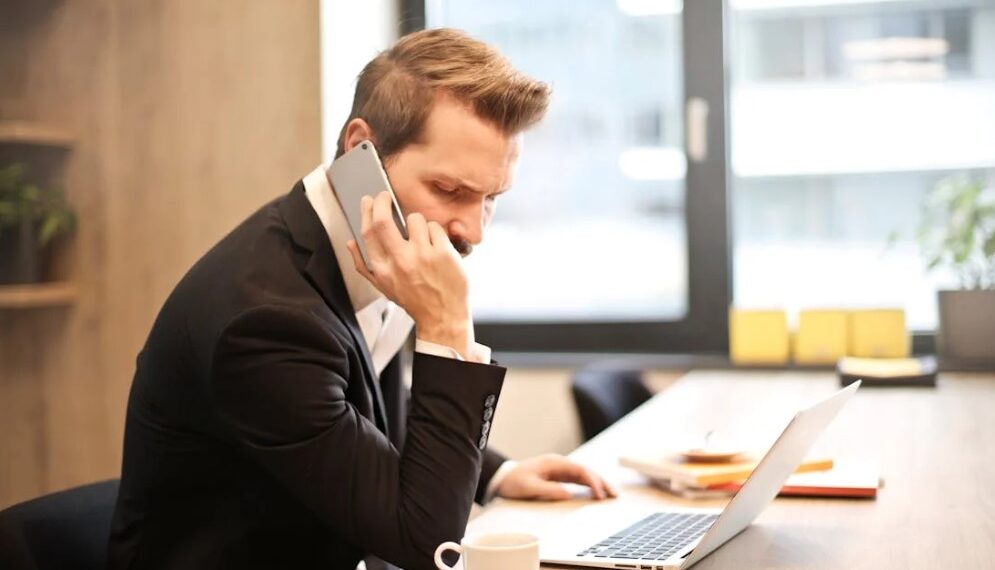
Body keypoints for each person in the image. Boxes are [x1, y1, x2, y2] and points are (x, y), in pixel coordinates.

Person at [107, 28, 616, 570]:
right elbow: (426, 544)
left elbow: (367, 418)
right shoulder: (264, 322)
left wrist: (497, 475)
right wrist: (446, 329)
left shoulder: (373, 247)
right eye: (449, 190)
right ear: (360, 150)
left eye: (490, 199)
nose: (474, 230)